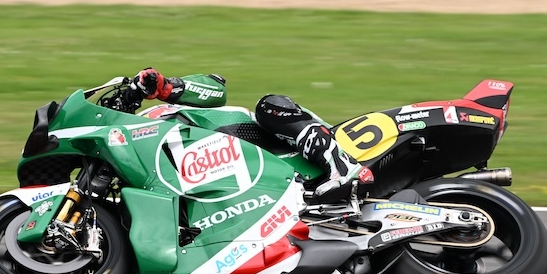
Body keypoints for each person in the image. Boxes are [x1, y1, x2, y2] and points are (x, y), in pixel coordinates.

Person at [127, 68, 373, 198]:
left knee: (269, 105)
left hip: (281, 143)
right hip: (268, 189)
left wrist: (165, 87)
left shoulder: (165, 114)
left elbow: (216, 89)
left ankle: (342, 166)